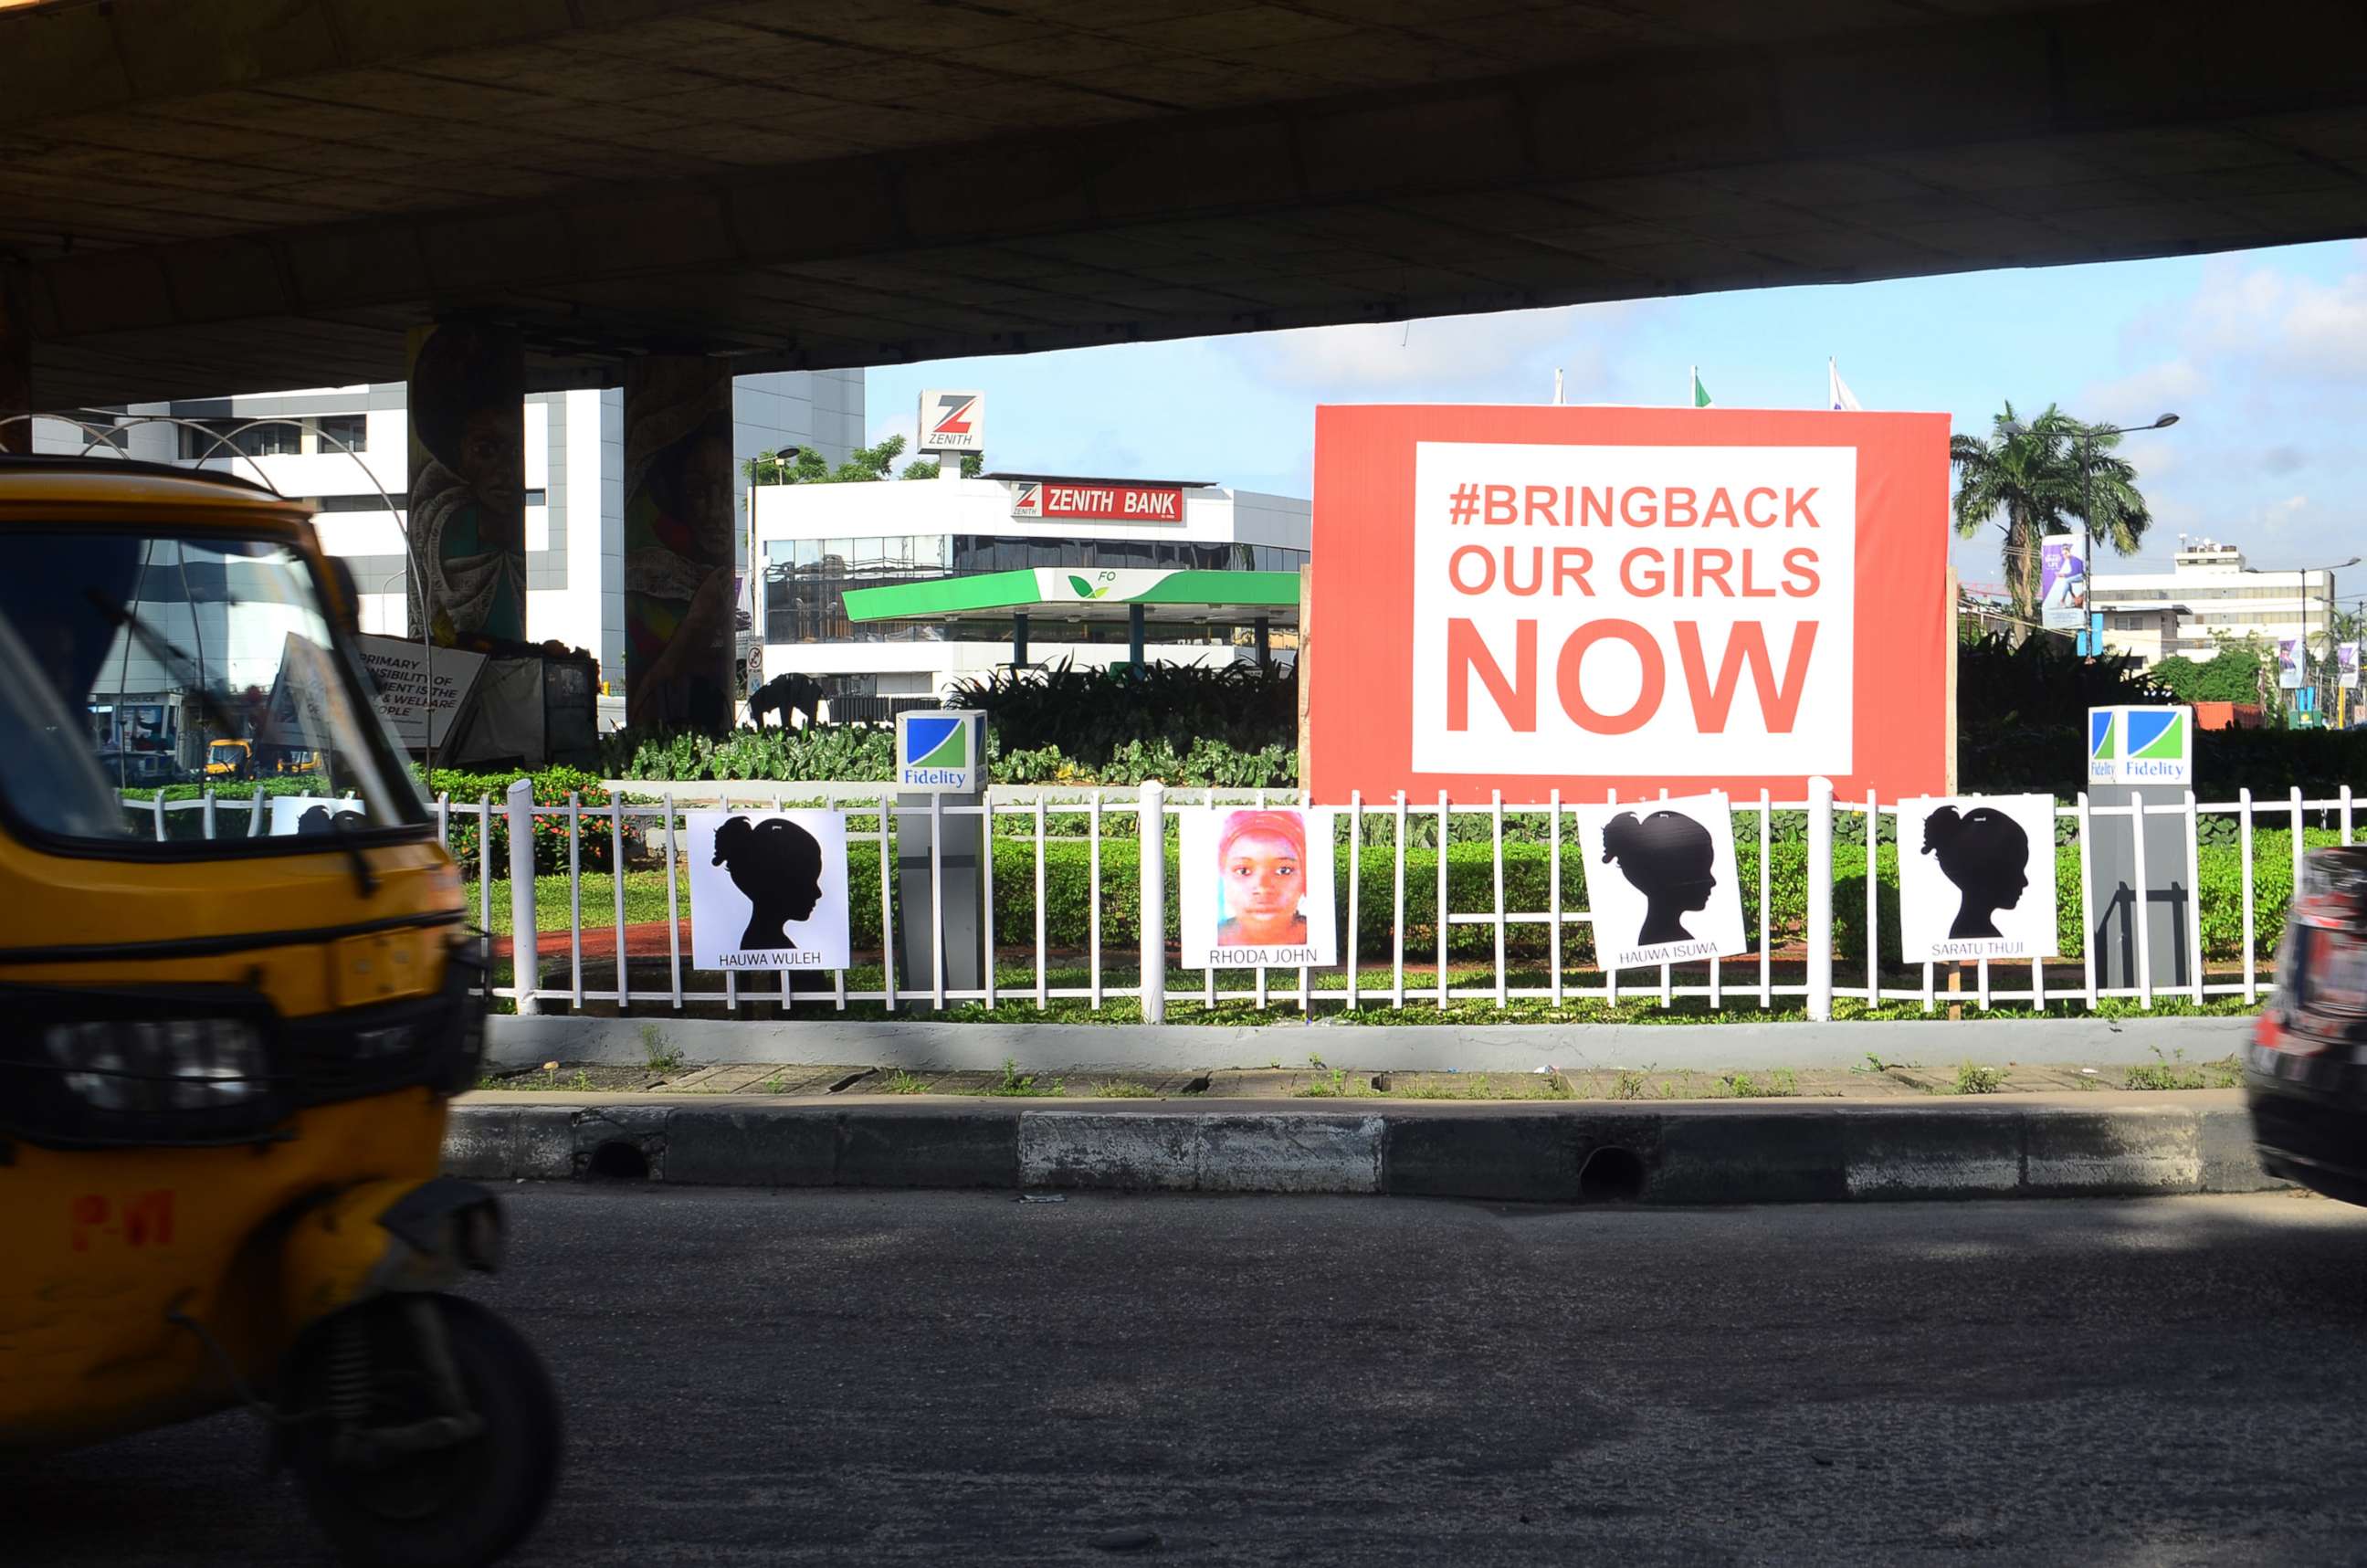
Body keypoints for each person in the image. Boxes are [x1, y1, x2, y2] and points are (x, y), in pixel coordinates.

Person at [1600, 809, 1717, 947]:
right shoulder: (1666, 938)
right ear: (1668, 875)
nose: (1712, 881)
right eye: (1699, 871)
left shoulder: (1661, 935)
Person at [712, 815, 826, 951]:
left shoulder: (762, 940)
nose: (818, 893)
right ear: (776, 884)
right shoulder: (768, 943)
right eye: (807, 882)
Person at [1920, 805, 2030, 940]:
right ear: (1987, 875)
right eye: (2014, 871)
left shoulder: (1970, 928)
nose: (2025, 882)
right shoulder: (1973, 930)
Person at [1215, 809, 1310, 948]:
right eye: (1243, 871)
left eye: (1283, 870)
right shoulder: (1211, 939)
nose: (1262, 888)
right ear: (1224, 875)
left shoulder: (1317, 936)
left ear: (1304, 877)